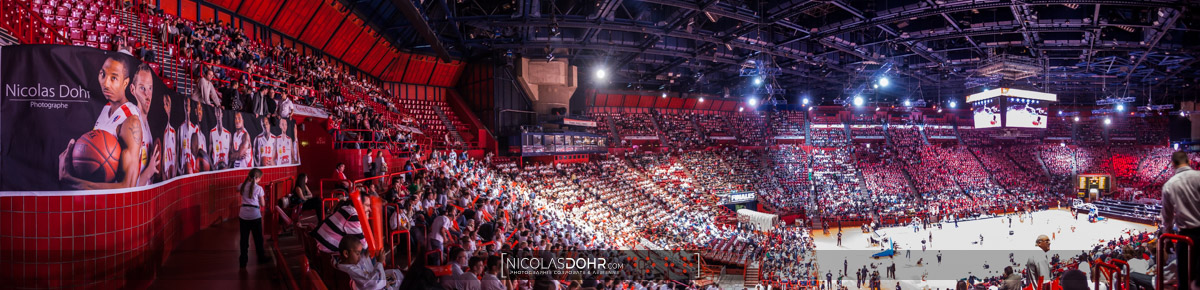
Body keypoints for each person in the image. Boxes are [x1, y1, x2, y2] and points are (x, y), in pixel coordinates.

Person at [58, 57, 146, 190]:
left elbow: (128, 186)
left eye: (114, 78)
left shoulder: (130, 120)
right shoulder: (106, 109)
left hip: (117, 206)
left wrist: (71, 180)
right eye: (103, 74)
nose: (106, 83)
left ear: (125, 83)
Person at [1162, 151, 1200, 289]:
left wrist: (1167, 240)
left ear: (1172, 164)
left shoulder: (1169, 184)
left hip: (1186, 237)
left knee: (1185, 279)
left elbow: (1167, 217)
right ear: (1189, 161)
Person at [336, 237, 402, 290]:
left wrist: (366, 255)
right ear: (346, 254)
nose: (360, 256)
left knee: (395, 274)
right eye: (358, 253)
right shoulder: (349, 270)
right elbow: (374, 283)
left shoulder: (346, 263)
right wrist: (379, 262)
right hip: (373, 285)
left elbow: (360, 263)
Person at [237, 168, 269, 267]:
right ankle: (261, 258)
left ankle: (243, 261)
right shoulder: (259, 188)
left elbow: (238, 189)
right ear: (258, 178)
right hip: (255, 215)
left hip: (243, 215)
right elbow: (263, 204)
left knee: (244, 239)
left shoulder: (242, 186)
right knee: (258, 239)